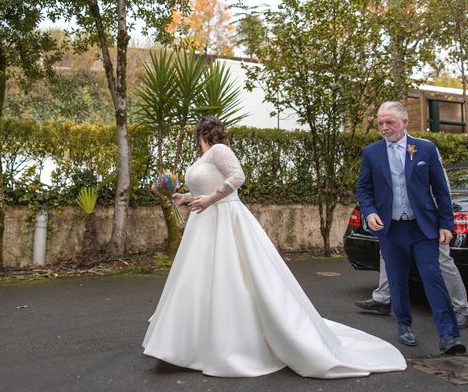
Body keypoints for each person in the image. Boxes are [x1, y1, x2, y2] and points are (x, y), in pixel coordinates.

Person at [142, 115, 406, 378]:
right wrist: (184, 196)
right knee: (198, 281)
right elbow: (208, 186)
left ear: (201, 134)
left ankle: (232, 343)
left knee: (232, 277)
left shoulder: (219, 151)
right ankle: (193, 342)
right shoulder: (202, 159)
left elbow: (238, 177)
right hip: (205, 224)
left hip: (226, 219)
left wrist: (211, 198)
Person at [356, 101, 465, 354]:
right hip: (391, 229)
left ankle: (449, 335)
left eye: (389, 122)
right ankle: (404, 325)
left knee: (433, 277)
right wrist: (370, 212)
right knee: (397, 279)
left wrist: (446, 224)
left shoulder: (425, 149)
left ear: (405, 123)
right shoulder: (372, 153)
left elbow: (441, 190)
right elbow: (364, 189)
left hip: (423, 227)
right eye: (380, 123)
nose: (384, 127)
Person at [355, 249, 468, 329]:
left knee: (441, 259)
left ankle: (461, 308)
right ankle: (382, 298)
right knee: (387, 253)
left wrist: (445, 225)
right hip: (401, 221)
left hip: (427, 222)